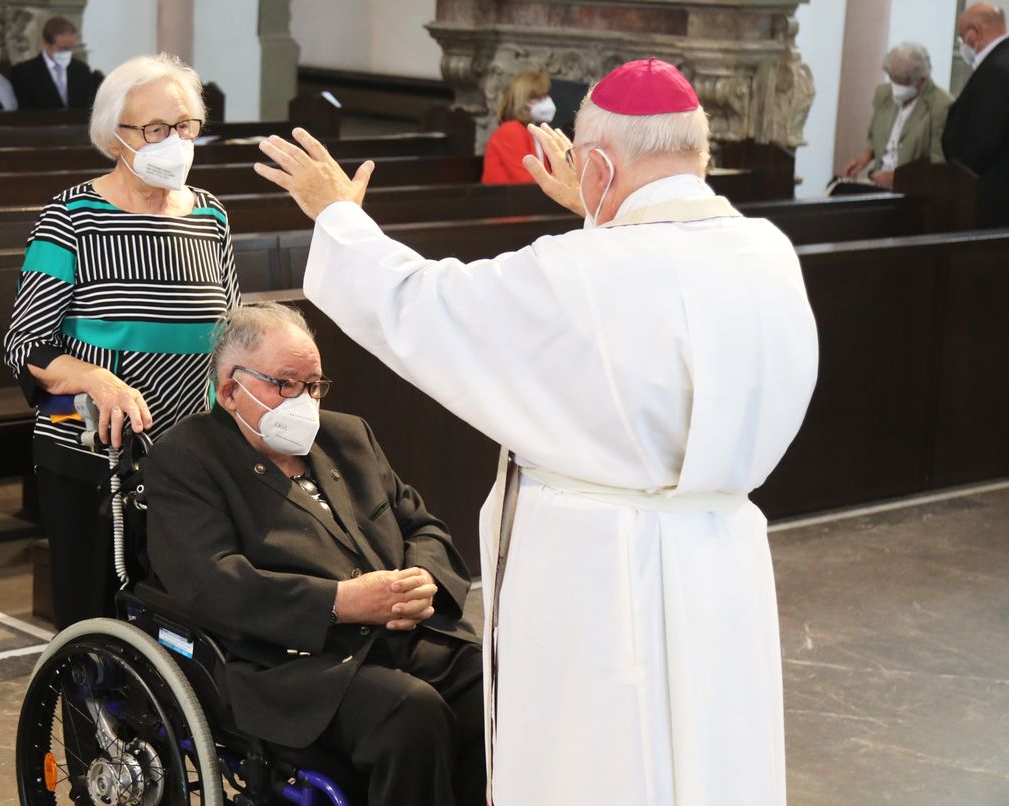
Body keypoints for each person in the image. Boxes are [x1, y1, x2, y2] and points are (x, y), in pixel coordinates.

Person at [254, 57, 819, 805]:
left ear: (599, 164)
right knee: (711, 755)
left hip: (601, 572)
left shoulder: (581, 271)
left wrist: (337, 216)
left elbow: (424, 306)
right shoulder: (767, 255)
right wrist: (596, 209)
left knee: (597, 764)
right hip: (719, 553)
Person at [146, 302, 484, 806]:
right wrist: (338, 602)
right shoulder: (187, 457)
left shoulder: (349, 436)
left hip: (395, 636)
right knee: (409, 714)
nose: (303, 400)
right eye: (285, 383)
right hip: (291, 665)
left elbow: (422, 525)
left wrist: (422, 577)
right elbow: (211, 583)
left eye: (313, 384)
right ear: (230, 390)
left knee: (498, 687)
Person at [3, 53, 239, 631]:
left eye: (185, 127)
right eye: (156, 129)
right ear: (115, 137)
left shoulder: (209, 215)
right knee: (96, 625)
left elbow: (231, 332)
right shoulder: (71, 216)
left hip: (190, 459)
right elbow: (25, 344)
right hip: (91, 451)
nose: (175, 142)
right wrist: (95, 377)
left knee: (182, 624)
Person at [841, 42, 952, 189]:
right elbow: (876, 136)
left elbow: (939, 164)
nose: (896, 88)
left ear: (922, 80)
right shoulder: (883, 93)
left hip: (912, 192)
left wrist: (899, 178)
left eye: (903, 83)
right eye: (893, 80)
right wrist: (864, 158)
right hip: (876, 183)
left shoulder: (942, 106)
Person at [943, 2, 1009, 228]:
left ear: (976, 33)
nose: (963, 45)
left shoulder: (997, 69)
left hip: (988, 198)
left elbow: (984, 141)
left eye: (962, 37)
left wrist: (954, 176)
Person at [482, 70, 554, 184]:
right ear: (522, 101)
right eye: (539, 98)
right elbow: (525, 180)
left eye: (546, 96)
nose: (547, 102)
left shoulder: (534, 131)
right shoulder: (511, 130)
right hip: (504, 199)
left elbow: (548, 175)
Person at [11, 16, 99, 109]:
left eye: (70, 48)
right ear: (46, 43)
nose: (67, 53)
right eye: (62, 48)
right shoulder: (24, 72)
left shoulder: (82, 70)